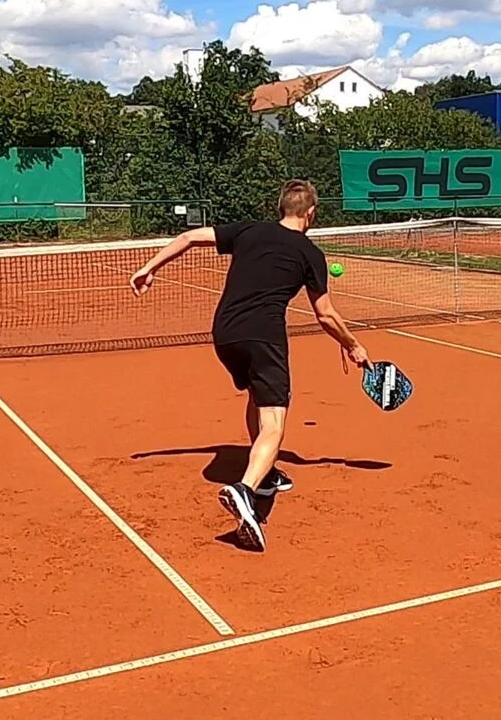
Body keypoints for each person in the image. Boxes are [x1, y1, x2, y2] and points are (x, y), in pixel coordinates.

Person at [129, 180, 369, 552]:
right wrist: (352, 345)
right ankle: (245, 489)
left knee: (257, 396)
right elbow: (325, 314)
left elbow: (190, 237)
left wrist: (149, 268)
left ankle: (266, 472)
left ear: (280, 207)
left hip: (225, 334)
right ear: (311, 213)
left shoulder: (249, 231)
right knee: (274, 422)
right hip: (263, 336)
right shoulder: (310, 253)